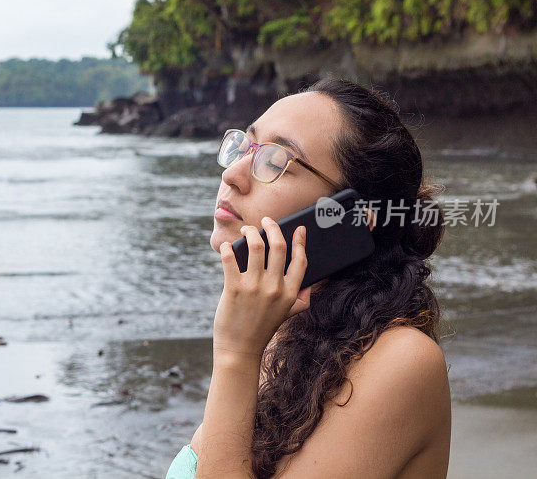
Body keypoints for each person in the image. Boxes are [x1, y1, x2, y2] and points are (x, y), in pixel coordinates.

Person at [165, 77, 451, 478]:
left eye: (275, 160)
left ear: (347, 218)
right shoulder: (282, 334)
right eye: (244, 146)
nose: (233, 175)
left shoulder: (402, 361)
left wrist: (235, 356)